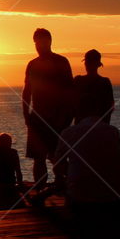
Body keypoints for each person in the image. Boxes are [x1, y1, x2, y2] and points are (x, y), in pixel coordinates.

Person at [22, 28, 74, 190]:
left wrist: (66, 117)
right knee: (38, 157)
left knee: (58, 157)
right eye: (36, 43)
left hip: (58, 118)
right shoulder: (32, 64)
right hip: (37, 117)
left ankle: (65, 186)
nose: (39, 46)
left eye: (42, 42)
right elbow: (27, 91)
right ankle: (39, 188)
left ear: (49, 42)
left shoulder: (61, 62)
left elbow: (69, 91)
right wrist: (27, 116)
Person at [54, 113, 120, 210]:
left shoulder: (69, 132)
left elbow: (58, 166)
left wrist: (61, 178)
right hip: (109, 195)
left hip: (78, 195)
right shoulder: (113, 131)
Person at [73, 49, 115, 124]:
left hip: (82, 125)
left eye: (88, 62)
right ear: (99, 64)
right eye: (87, 62)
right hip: (99, 125)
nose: (87, 64)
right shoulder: (105, 82)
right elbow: (110, 107)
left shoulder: (78, 80)